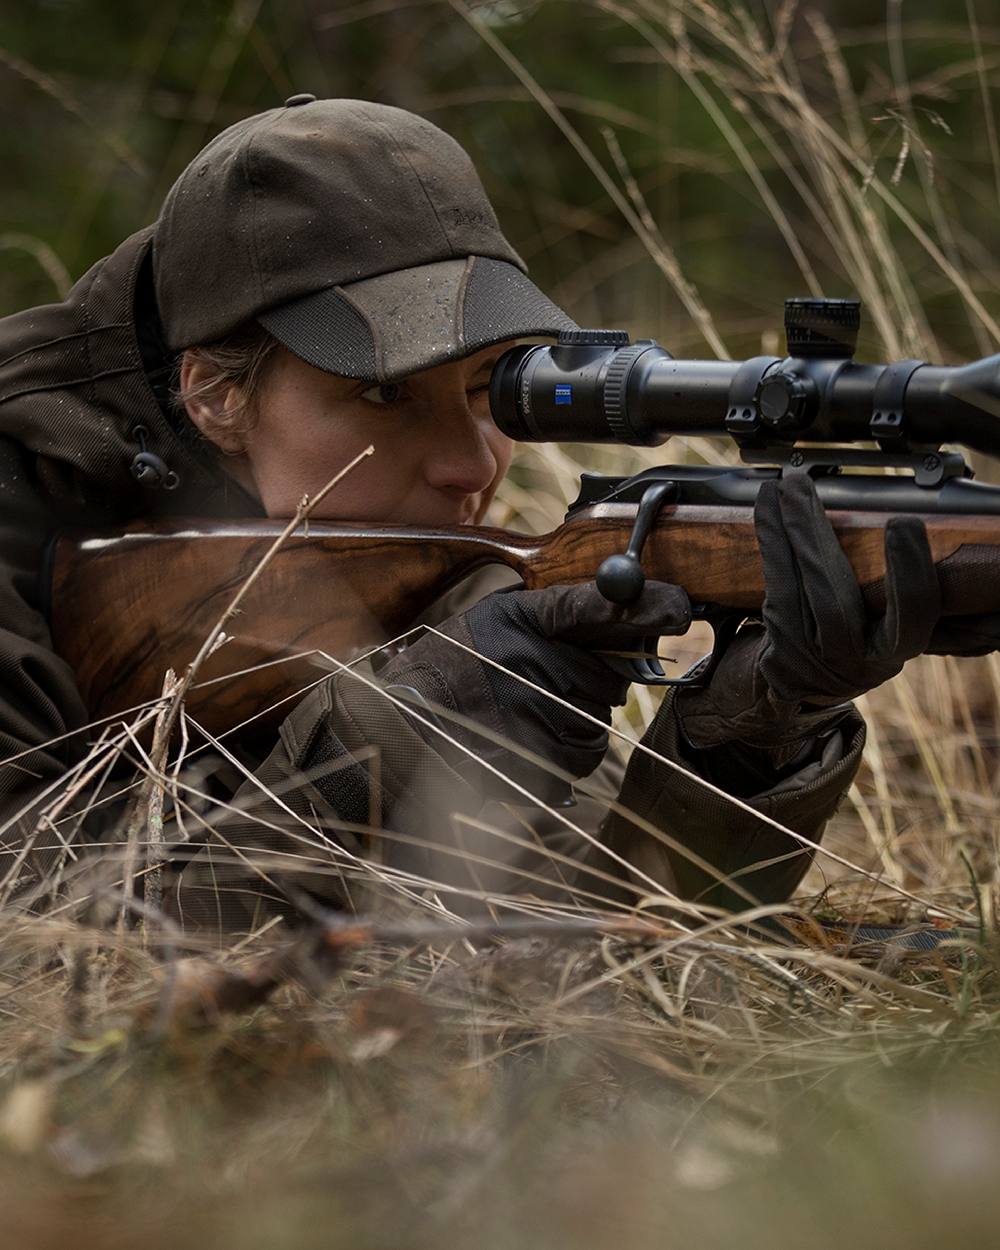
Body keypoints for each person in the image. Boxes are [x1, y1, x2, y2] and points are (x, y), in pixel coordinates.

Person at [0, 96, 967, 933]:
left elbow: (604, 941)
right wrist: (402, 736)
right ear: (215, 392)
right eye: (386, 396)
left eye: (489, 391)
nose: (471, 465)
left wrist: (748, 734)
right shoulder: (27, 522)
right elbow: (44, 947)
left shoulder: (440, 560)